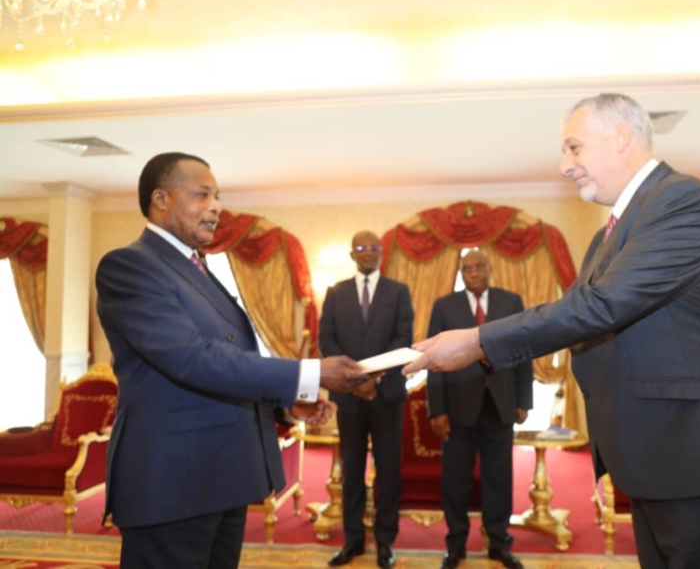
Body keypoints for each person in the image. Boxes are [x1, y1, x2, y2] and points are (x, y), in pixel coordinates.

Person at [404, 93, 700, 569]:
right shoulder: (611, 232)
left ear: (622, 136)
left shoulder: (681, 200)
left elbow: (601, 306)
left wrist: (477, 341)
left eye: (574, 147)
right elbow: (577, 310)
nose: (564, 164)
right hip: (663, 451)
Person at [96, 152, 370, 569]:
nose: (216, 207)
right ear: (161, 199)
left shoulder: (197, 267)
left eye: (218, 196)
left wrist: (283, 404)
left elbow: (233, 355)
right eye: (202, 194)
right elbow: (192, 358)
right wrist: (309, 373)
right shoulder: (131, 265)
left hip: (219, 476)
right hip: (173, 482)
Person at [426, 250, 532, 569]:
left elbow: (524, 351)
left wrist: (524, 400)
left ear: (490, 269)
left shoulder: (511, 302)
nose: (473, 273)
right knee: (455, 481)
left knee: (499, 478)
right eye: (467, 268)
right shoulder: (444, 306)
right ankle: (456, 545)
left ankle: (499, 544)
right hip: (457, 407)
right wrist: (437, 409)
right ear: (461, 272)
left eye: (479, 267)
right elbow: (434, 361)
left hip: (500, 405)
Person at [319, 230, 414, 569]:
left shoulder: (399, 292)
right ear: (352, 254)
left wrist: (373, 378)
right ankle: (353, 541)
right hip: (348, 397)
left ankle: (385, 543)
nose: (368, 252)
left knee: (388, 472)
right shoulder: (335, 293)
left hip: (386, 395)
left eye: (374, 247)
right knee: (352, 470)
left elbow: (404, 338)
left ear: (382, 253)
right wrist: (354, 381)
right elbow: (326, 340)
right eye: (362, 247)